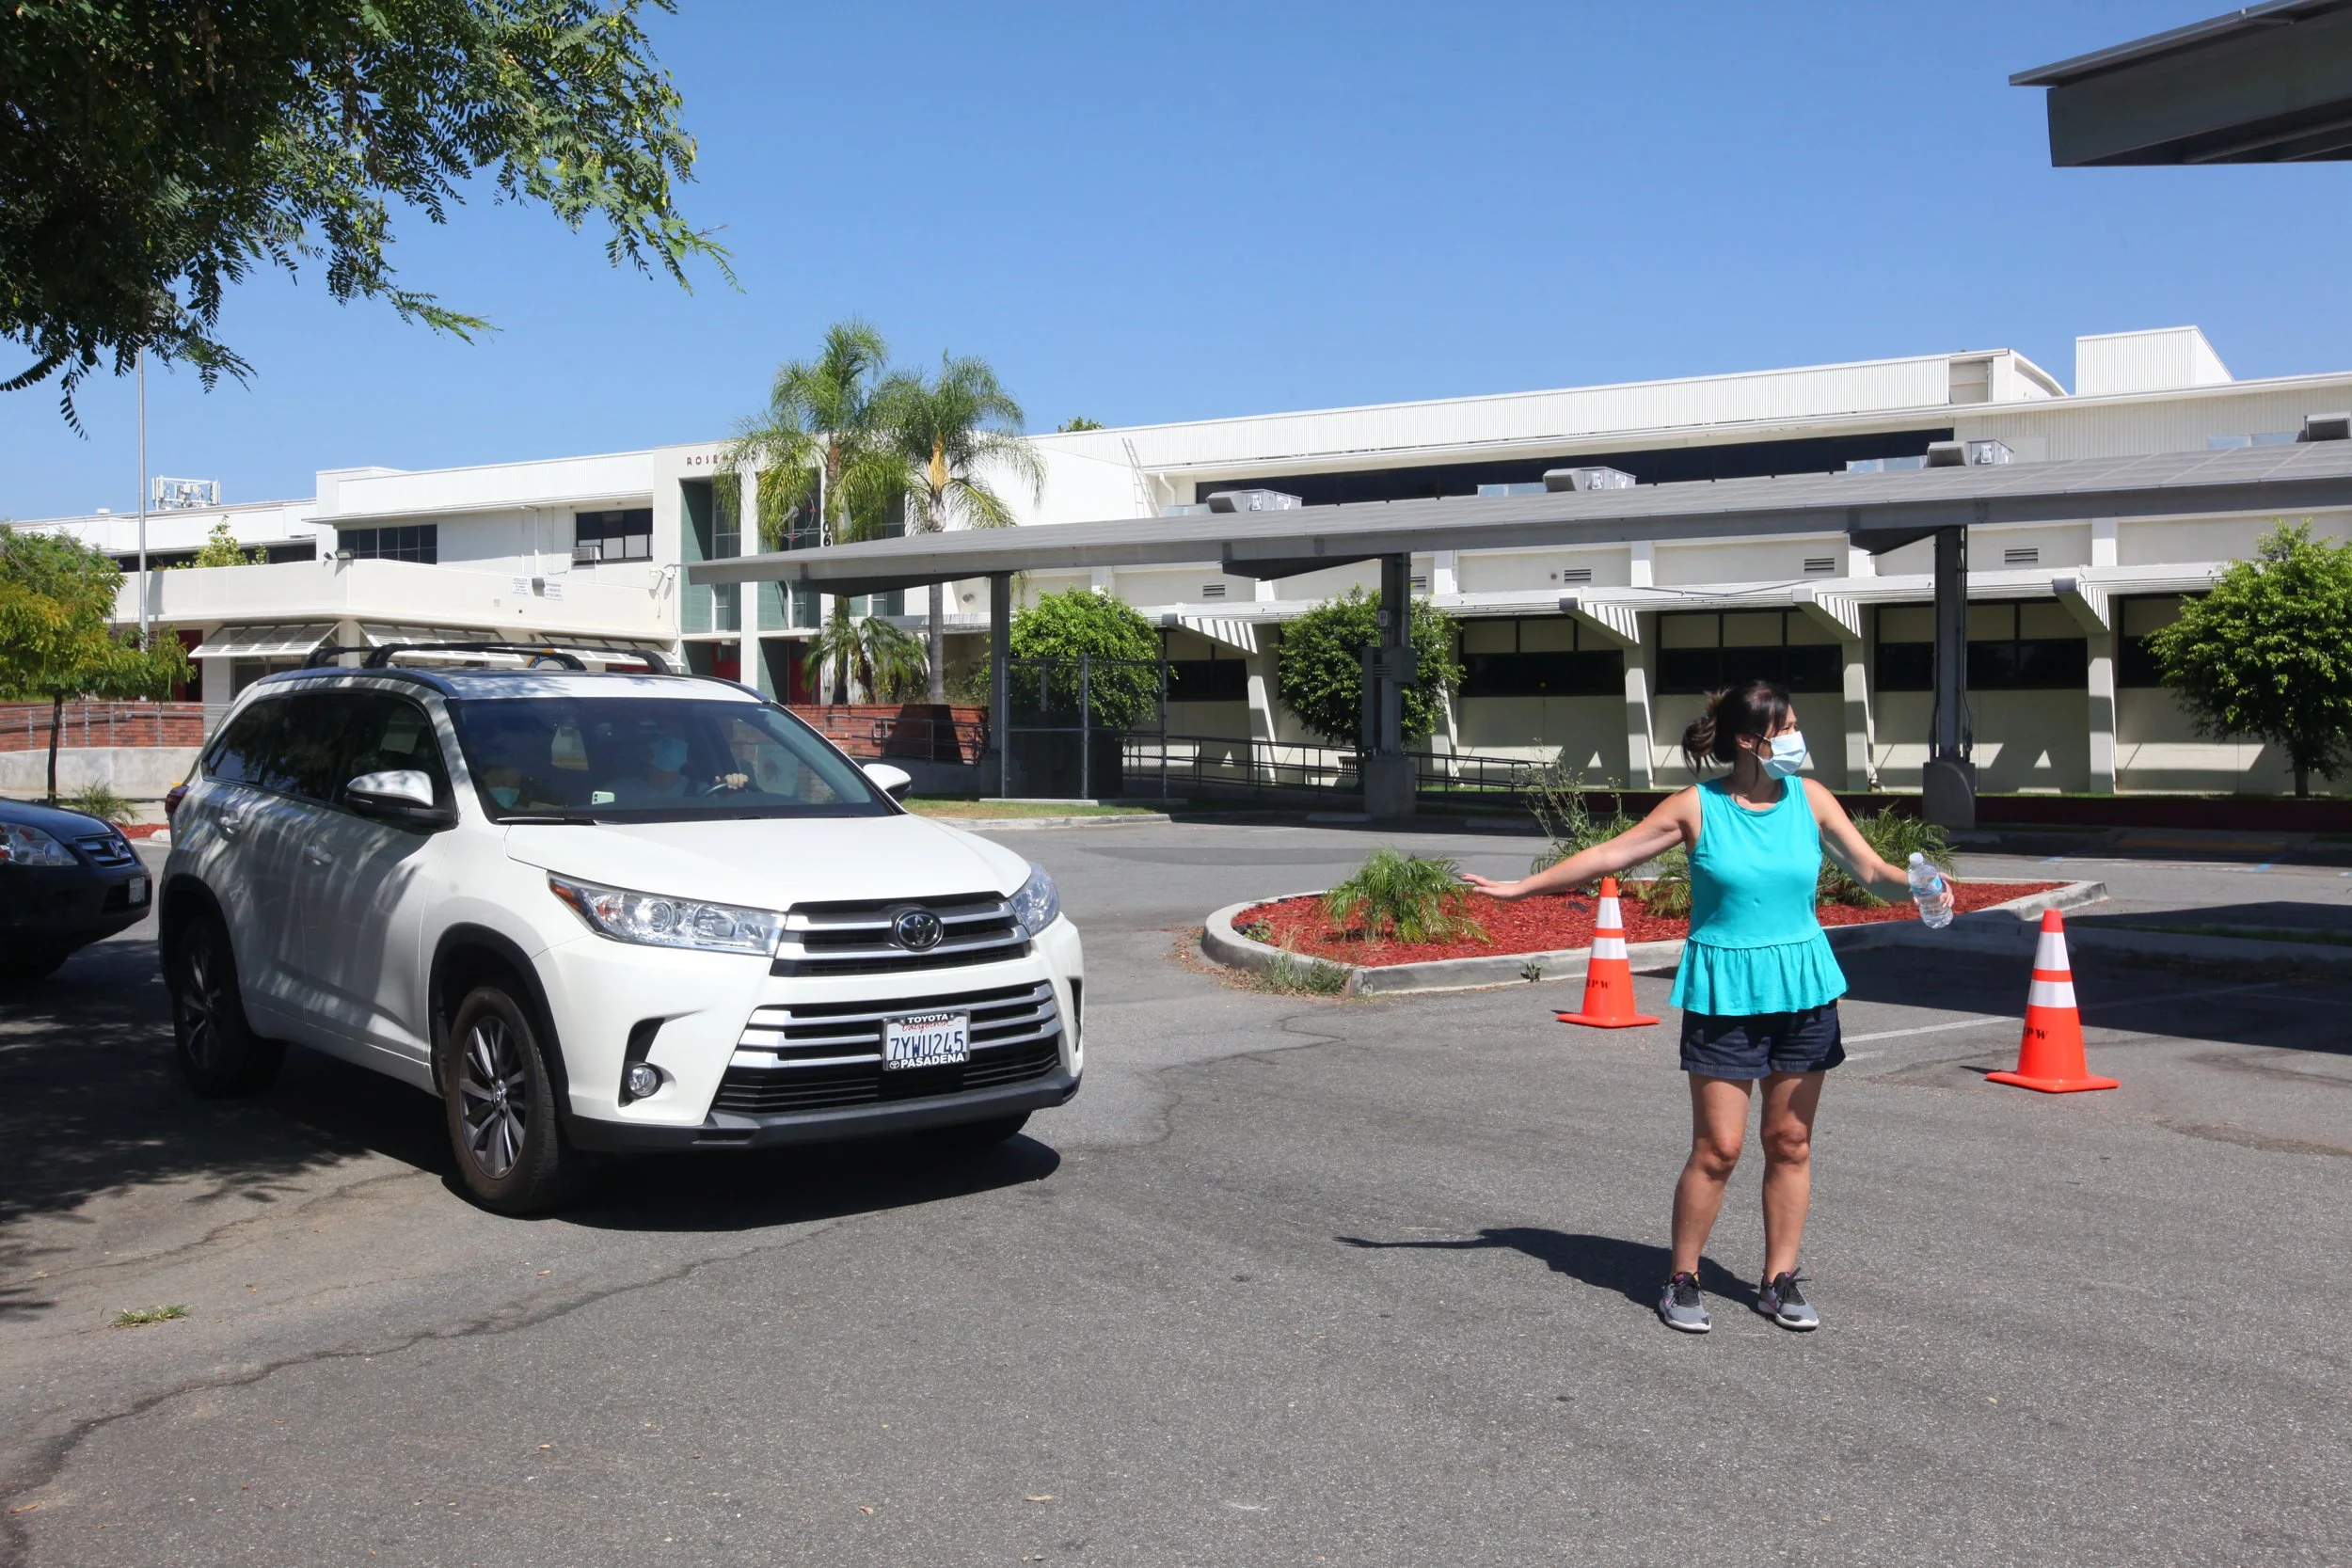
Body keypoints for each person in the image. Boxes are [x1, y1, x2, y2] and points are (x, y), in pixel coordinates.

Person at [1463, 680, 1932, 1335]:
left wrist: (1920, 885)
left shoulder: (1812, 799)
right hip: (1725, 991)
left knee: (1791, 1140)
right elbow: (1611, 852)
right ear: (1747, 739)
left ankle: (1778, 1280)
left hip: (1804, 987)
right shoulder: (1697, 807)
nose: (1797, 739)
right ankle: (1682, 1278)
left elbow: (1873, 873)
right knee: (1719, 1147)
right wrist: (1522, 888)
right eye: (1785, 729)